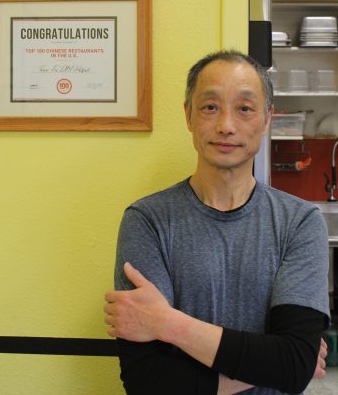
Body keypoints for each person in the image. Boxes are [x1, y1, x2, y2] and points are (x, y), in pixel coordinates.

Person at [104, 50, 330, 395]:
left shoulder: (300, 223)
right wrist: (279, 364)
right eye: (210, 107)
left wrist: (166, 323)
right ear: (188, 115)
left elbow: (294, 363)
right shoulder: (147, 221)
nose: (226, 125)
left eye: (245, 108)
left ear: (267, 118)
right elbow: (146, 380)